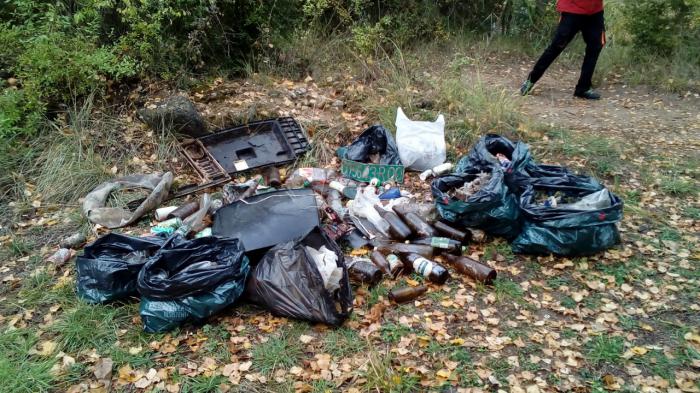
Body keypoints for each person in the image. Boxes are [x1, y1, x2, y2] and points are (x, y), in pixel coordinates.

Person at [520, 0, 606, 100]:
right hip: (572, 9)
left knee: (595, 46)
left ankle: (583, 88)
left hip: (594, 11)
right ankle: (531, 80)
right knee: (557, 45)